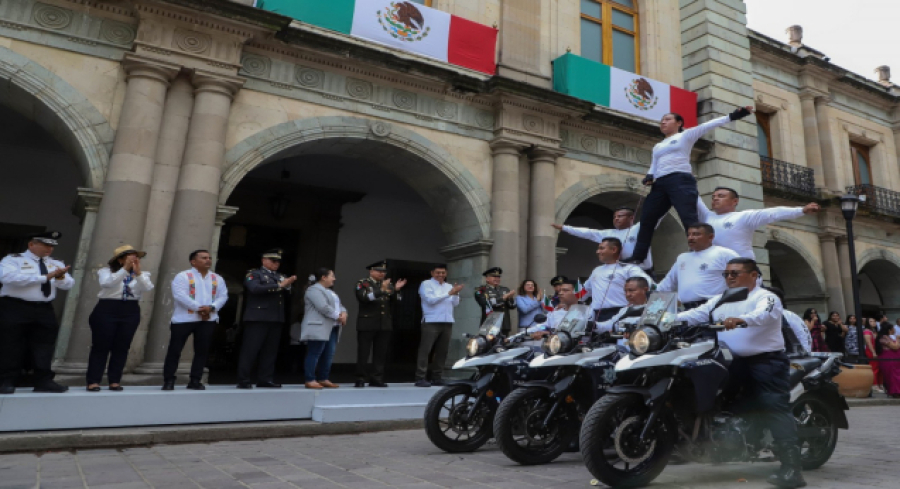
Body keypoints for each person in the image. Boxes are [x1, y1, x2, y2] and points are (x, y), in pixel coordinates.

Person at [677, 258, 804, 488]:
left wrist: (741, 319)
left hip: (766, 361)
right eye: (726, 274)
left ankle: (792, 468)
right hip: (731, 360)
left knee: (773, 404)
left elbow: (764, 314)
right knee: (713, 396)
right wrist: (663, 320)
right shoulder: (721, 299)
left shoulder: (766, 297)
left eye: (735, 273)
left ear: (754, 275)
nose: (729, 277)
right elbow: (696, 314)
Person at [624, 106, 755, 264]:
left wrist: (734, 115)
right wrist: (650, 175)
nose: (663, 122)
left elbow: (708, 125)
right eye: (662, 120)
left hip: (681, 180)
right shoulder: (658, 146)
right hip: (660, 184)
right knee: (647, 218)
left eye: (667, 119)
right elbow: (655, 163)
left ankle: (699, 250)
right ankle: (639, 256)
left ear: (679, 123)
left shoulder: (686, 135)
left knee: (688, 218)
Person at [0, 231, 73, 394]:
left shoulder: (55, 263)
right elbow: (8, 278)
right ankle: (6, 380)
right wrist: (45, 277)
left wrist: (59, 277)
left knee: (44, 345)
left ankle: (43, 380)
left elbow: (69, 284)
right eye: (45, 245)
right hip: (15, 306)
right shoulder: (13, 259)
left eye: (52, 246)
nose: (49, 249)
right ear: (31, 244)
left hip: (43, 308)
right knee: (10, 344)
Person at [86, 245, 154, 392]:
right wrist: (124, 269)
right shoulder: (106, 272)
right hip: (107, 308)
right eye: (130, 257)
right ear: (120, 259)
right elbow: (107, 283)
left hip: (130, 309)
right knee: (101, 346)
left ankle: (115, 380)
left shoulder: (142, 274)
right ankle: (93, 381)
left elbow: (147, 287)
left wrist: (138, 272)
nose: (134, 260)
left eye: (136, 257)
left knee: (122, 347)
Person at [163, 250, 228, 391]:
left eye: (209, 258)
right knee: (175, 350)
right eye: (203, 258)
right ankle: (169, 380)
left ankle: (195, 380)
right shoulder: (183, 276)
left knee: (202, 351)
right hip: (183, 319)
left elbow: (223, 296)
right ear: (193, 261)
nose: (208, 260)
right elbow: (179, 295)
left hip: (208, 320)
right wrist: (199, 308)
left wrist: (211, 307)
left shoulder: (217, 278)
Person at [696, 188, 820, 259]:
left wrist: (801, 210)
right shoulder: (707, 217)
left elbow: (773, 213)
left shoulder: (743, 217)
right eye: (713, 197)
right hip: (717, 271)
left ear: (734, 201)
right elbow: (694, 196)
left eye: (721, 196)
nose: (715, 198)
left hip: (742, 270)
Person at [237, 249, 297, 389]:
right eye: (273, 261)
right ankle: (243, 379)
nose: (276, 264)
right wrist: (279, 286)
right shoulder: (254, 274)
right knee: (251, 349)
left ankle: (265, 378)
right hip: (258, 317)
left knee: (270, 351)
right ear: (264, 260)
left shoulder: (280, 276)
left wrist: (288, 286)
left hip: (276, 317)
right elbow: (254, 288)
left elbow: (290, 293)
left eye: (278, 262)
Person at [656, 223, 738, 310]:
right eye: (689, 235)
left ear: (710, 237)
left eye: (696, 234)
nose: (690, 238)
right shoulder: (682, 258)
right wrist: (649, 294)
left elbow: (742, 276)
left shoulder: (724, 254)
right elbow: (666, 285)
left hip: (714, 307)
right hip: (687, 310)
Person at [354, 260, 406, 388]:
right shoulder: (363, 283)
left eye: (384, 272)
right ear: (371, 271)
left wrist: (396, 290)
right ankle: (360, 378)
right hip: (367, 323)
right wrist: (381, 290)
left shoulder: (388, 285)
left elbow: (397, 302)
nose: (382, 274)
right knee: (363, 352)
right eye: (379, 271)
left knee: (380, 353)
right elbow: (364, 298)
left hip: (384, 324)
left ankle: (376, 378)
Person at [552, 206, 653, 270]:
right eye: (614, 217)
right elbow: (588, 233)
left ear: (631, 218)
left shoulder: (639, 228)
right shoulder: (608, 233)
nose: (616, 219)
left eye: (620, 216)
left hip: (643, 270)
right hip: (621, 270)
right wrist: (565, 228)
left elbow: (654, 215)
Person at [583, 237, 653, 321]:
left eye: (602, 248)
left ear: (614, 249)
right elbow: (584, 291)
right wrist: (572, 297)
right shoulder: (596, 270)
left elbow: (649, 284)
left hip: (620, 312)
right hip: (596, 315)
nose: (597, 252)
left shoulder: (628, 268)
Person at [416, 264, 463, 387]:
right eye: (438, 272)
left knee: (442, 351)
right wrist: (449, 293)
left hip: (447, 321)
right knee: (425, 350)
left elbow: (455, 303)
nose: (440, 275)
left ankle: (437, 377)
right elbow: (430, 300)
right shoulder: (426, 284)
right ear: (432, 273)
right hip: (431, 321)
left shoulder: (449, 286)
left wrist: (456, 294)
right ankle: (420, 377)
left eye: (443, 273)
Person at [299, 268, 346, 389]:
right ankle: (310, 379)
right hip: (318, 326)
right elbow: (323, 307)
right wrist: (338, 316)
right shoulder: (313, 289)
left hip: (332, 327)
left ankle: (323, 378)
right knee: (315, 352)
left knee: (328, 354)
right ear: (323, 277)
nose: (334, 279)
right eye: (332, 276)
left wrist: (344, 313)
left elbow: (340, 306)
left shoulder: (330, 292)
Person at [594, 277, 651, 347]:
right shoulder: (624, 310)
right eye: (625, 291)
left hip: (643, 350)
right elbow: (610, 325)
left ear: (645, 290)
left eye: (631, 290)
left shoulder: (654, 309)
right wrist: (593, 325)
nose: (627, 294)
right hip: (621, 351)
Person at [474, 267, 516, 334]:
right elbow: (485, 303)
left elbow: (512, 306)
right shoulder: (481, 290)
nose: (497, 279)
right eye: (494, 277)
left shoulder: (505, 289)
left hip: (504, 324)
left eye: (498, 277)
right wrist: (503, 298)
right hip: (490, 324)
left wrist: (510, 298)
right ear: (487, 279)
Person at [876, 322, 900, 397]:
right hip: (889, 359)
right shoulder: (884, 338)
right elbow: (895, 347)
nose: (894, 330)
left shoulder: (888, 337)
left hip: (894, 359)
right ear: (889, 330)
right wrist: (897, 339)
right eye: (893, 328)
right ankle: (895, 392)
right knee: (892, 375)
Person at [863, 317, 883, 393]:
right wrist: (873, 352)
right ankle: (874, 385)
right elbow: (869, 343)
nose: (873, 322)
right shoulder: (867, 331)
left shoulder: (874, 331)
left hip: (877, 350)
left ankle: (880, 384)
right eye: (871, 321)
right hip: (871, 350)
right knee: (874, 368)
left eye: (874, 321)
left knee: (879, 368)